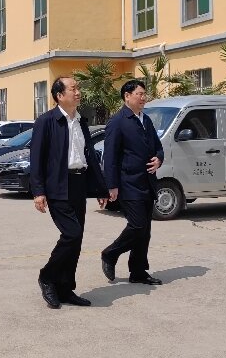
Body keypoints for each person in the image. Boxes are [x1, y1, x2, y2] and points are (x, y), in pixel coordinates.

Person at [30, 76, 108, 309]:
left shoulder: (81, 121)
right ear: (59, 95)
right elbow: (37, 159)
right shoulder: (46, 121)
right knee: (71, 234)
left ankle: (65, 288)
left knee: (77, 239)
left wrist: (100, 188)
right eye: (73, 89)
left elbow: (89, 157)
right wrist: (38, 191)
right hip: (57, 185)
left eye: (77, 88)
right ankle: (47, 277)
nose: (78, 92)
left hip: (78, 184)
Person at [101, 79, 165, 286]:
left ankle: (138, 271)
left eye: (144, 94)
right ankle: (110, 253)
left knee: (145, 230)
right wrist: (111, 185)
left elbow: (158, 147)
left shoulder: (146, 120)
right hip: (128, 182)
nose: (143, 98)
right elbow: (110, 156)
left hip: (147, 181)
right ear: (127, 96)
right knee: (137, 225)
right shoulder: (117, 121)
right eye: (139, 94)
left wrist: (159, 159)